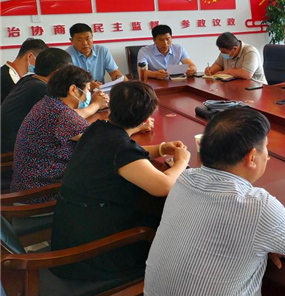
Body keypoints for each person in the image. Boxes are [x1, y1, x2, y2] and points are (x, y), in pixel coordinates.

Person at [140, 107, 285, 296]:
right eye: (266, 148)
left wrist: (264, 238)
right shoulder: (255, 204)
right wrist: (270, 237)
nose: (268, 155)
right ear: (252, 157)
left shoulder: (184, 179)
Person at [51, 81, 190, 281]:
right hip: (90, 255)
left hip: (70, 234)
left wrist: (161, 149)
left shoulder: (97, 129)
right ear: (146, 118)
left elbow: (128, 156)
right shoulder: (121, 148)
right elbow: (164, 186)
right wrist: (181, 162)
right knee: (169, 230)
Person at [10, 65, 97, 200]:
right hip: (41, 194)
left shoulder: (48, 104)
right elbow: (100, 138)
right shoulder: (61, 114)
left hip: (28, 187)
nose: (88, 94)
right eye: (87, 89)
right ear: (73, 90)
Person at [1, 48, 99, 153]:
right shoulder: (43, 90)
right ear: (58, 73)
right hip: (10, 148)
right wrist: (97, 104)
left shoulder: (30, 80)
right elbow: (71, 118)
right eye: (68, 71)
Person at [66, 23, 123, 91]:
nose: (85, 43)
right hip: (79, 93)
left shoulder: (102, 51)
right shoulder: (67, 55)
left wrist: (118, 77)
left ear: (92, 37)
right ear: (71, 40)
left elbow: (114, 72)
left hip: (100, 91)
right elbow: (68, 82)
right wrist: (86, 85)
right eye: (79, 40)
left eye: (87, 38)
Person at [1, 38, 47, 103]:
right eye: (41, 60)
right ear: (30, 56)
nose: (42, 64)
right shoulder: (8, 80)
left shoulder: (12, 76)